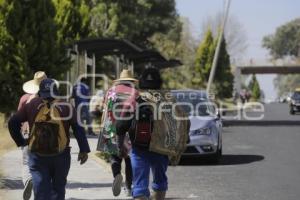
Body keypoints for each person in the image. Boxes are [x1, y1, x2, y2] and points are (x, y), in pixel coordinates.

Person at [8, 78, 90, 200]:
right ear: (56, 91)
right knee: (58, 190)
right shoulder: (67, 106)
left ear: (40, 92)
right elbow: (78, 128)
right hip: (61, 156)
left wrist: (22, 142)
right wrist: (84, 150)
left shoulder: (31, 105)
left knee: (41, 190)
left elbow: (12, 122)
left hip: (37, 156)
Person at [115, 68, 169, 200]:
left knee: (139, 185)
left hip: (139, 149)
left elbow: (121, 126)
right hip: (161, 148)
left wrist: (120, 146)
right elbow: (182, 123)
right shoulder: (168, 100)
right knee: (160, 182)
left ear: (141, 83)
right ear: (160, 83)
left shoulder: (135, 100)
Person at [99, 70, 136, 197]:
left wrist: (102, 126)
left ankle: (117, 175)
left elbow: (105, 109)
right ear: (131, 81)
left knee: (114, 157)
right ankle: (129, 188)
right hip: (128, 128)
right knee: (129, 158)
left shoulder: (111, 91)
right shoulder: (135, 93)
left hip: (111, 127)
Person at [18, 71, 47, 200]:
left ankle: (28, 180)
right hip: (46, 135)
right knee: (42, 164)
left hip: (27, 134)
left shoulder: (25, 99)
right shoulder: (50, 99)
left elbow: (18, 119)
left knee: (26, 163)